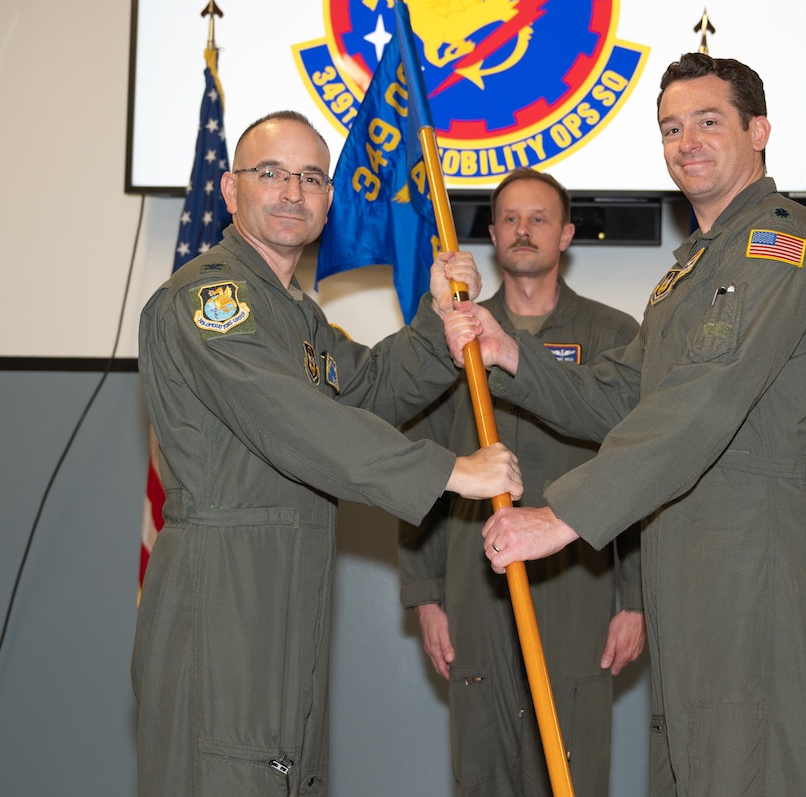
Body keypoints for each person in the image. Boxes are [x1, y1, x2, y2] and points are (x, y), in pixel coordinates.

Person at [449, 55, 806, 796]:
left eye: (708, 121)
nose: (686, 141)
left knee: (745, 771)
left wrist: (564, 515)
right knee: (690, 771)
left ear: (758, 131)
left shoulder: (783, 246)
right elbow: (622, 394)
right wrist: (513, 354)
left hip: (754, 547)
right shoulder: (689, 273)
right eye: (672, 127)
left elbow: (703, 400)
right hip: (690, 547)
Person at [133, 110, 523, 797]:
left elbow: (365, 388)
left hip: (290, 581)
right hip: (224, 585)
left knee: (284, 770)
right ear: (229, 190)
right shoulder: (209, 297)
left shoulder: (295, 313)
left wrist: (439, 325)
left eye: (311, 177)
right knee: (227, 771)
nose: (292, 191)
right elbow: (294, 418)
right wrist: (450, 472)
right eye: (272, 173)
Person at [398, 168, 644, 797]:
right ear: (491, 233)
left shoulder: (616, 337)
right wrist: (426, 595)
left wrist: (636, 600)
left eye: (539, 218)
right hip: (473, 577)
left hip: (580, 581)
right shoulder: (456, 337)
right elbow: (420, 465)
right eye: (509, 218)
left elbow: (642, 472)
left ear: (566, 234)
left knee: (573, 761)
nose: (523, 230)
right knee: (483, 762)